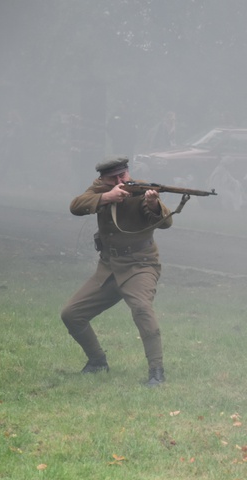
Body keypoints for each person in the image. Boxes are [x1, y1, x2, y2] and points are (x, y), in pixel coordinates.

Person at [60, 156, 176, 387]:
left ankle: (156, 371)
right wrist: (106, 197)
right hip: (109, 267)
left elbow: (166, 222)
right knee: (71, 314)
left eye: (123, 175)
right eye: (113, 178)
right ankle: (97, 362)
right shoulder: (99, 190)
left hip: (140, 265)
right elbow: (76, 206)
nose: (120, 180)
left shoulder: (141, 190)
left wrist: (153, 204)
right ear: (102, 179)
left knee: (142, 309)